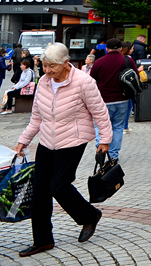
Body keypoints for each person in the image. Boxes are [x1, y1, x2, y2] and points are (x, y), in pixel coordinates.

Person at [13, 43, 110, 257]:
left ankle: (89, 215)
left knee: (58, 186)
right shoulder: (44, 82)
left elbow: (100, 112)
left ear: (66, 63)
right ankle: (43, 240)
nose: (47, 71)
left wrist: (105, 139)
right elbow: (36, 117)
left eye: (52, 66)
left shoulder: (84, 82)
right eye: (44, 66)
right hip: (47, 141)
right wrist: (24, 140)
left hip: (73, 140)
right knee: (40, 191)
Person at [88, 38, 137, 161]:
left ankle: (100, 147)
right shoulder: (127, 60)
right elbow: (135, 76)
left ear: (106, 49)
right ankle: (113, 155)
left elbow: (91, 80)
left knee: (100, 125)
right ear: (120, 48)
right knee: (118, 127)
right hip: (122, 99)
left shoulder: (99, 62)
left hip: (103, 100)